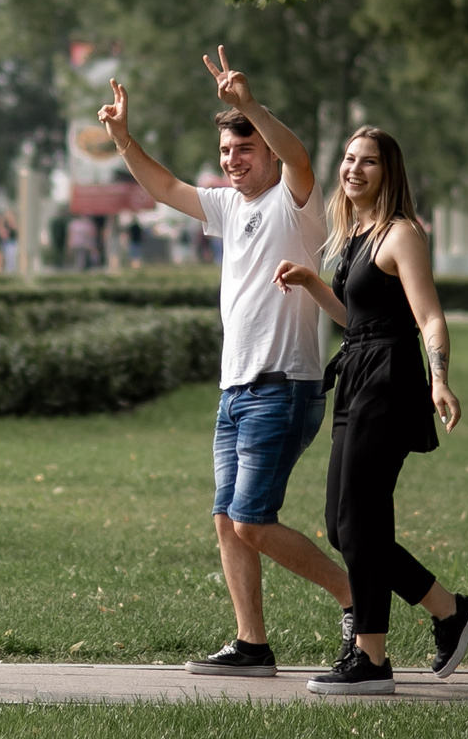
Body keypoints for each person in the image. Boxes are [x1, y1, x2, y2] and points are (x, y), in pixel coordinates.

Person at [99, 48, 354, 675]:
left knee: (251, 521)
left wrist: (249, 106)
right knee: (226, 519)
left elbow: (297, 157)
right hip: (236, 391)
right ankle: (251, 644)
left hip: (283, 387)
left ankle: (358, 598)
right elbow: (162, 186)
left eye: (243, 150)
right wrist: (125, 141)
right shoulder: (228, 206)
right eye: (225, 153)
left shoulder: (293, 204)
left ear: (264, 152)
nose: (232, 161)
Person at [274, 127, 468, 694]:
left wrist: (440, 378)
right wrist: (314, 283)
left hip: (390, 380)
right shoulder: (359, 234)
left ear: (388, 173)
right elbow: (358, 319)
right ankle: (449, 610)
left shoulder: (401, 234)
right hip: (358, 372)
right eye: (348, 159)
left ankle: (372, 657)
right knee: (345, 528)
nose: (354, 170)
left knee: (362, 519)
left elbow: (429, 316)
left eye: (368, 162)